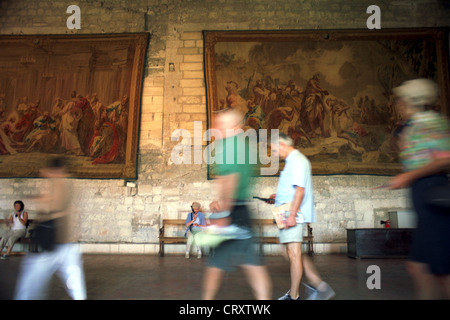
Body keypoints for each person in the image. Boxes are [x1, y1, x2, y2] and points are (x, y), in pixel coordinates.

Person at [387, 78, 450, 299]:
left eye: (400, 99)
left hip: (433, 195)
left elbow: (445, 160)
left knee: (442, 270)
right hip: (423, 195)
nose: (397, 104)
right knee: (418, 267)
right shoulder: (413, 124)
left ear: (409, 100)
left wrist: (408, 175)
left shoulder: (431, 122)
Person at [202, 108, 272, 300]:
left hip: (232, 212)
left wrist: (224, 212)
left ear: (233, 126)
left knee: (216, 263)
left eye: (220, 124)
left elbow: (231, 180)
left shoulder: (228, 147)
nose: (216, 127)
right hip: (242, 209)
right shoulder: (246, 146)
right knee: (252, 263)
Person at [269, 133, 334, 300]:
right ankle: (319, 286)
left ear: (283, 144)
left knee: (294, 253)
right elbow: (293, 188)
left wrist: (291, 215)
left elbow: (300, 190)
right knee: (289, 251)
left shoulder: (297, 160)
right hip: (286, 212)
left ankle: (294, 295)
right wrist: (278, 196)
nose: (275, 154)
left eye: (275, 150)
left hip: (291, 214)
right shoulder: (292, 161)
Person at [14, 157, 86, 300]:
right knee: (74, 279)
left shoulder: (59, 183)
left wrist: (39, 200)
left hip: (55, 240)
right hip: (64, 241)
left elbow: (55, 206)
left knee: (31, 279)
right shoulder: (64, 183)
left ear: (56, 170)